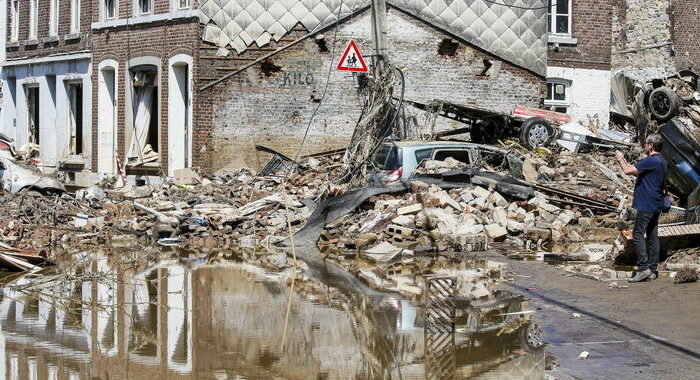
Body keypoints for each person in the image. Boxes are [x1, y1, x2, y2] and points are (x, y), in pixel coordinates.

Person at [615, 133, 668, 282]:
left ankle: (643, 268)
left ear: (650, 146)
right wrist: (624, 160)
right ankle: (652, 269)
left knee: (638, 234)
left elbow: (627, 170)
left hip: (646, 204)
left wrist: (620, 158)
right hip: (656, 203)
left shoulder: (651, 161)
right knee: (652, 236)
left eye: (646, 144)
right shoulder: (662, 161)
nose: (644, 146)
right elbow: (633, 169)